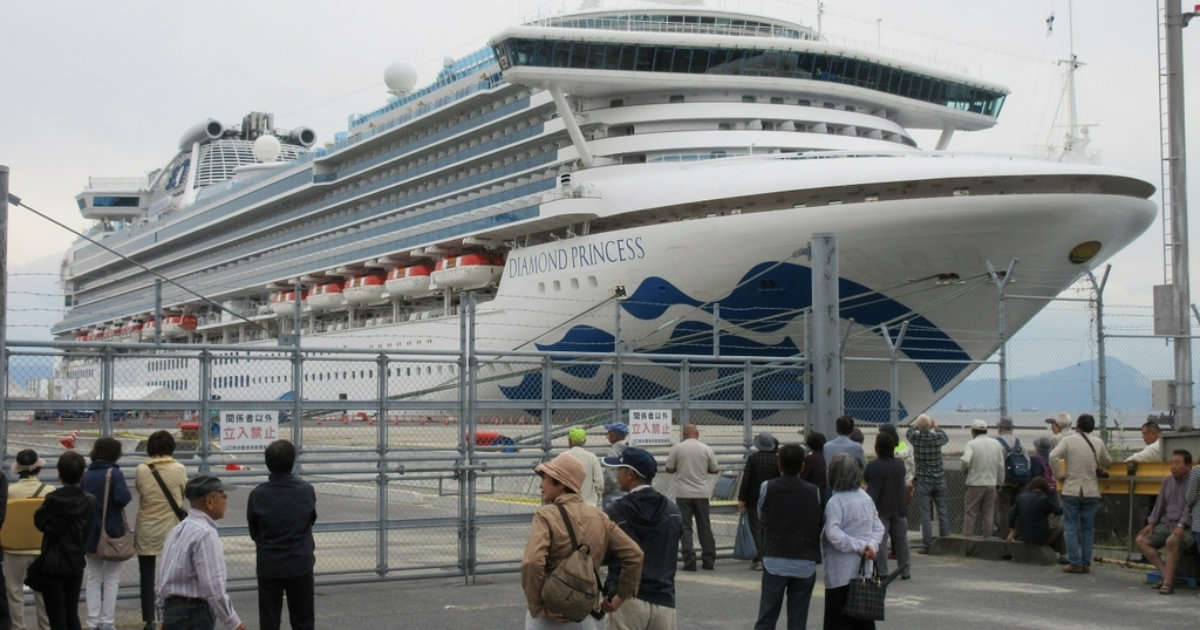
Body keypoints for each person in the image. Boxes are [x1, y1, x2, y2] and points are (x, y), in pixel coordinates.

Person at [521, 453, 643, 630]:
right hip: (584, 611)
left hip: (550, 611)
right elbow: (635, 554)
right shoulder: (600, 517)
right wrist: (620, 597)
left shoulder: (546, 515)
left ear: (561, 484)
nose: (541, 484)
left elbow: (532, 562)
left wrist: (538, 606)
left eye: (546, 479)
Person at [601, 448, 682, 630]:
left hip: (625, 598)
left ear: (629, 474)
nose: (616, 475)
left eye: (619, 470)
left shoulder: (616, 511)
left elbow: (604, 554)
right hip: (664, 599)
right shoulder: (673, 511)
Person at [156, 475, 244, 630]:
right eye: (223, 496)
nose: (226, 501)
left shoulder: (177, 531)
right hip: (194, 615)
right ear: (209, 501)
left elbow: (163, 578)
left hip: (173, 611)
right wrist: (233, 623)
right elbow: (213, 586)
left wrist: (162, 615)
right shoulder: (205, 534)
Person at [247, 440, 318, 629]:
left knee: (269, 620)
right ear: (292, 462)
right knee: (303, 619)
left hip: (269, 563)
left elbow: (254, 530)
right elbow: (310, 520)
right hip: (300, 562)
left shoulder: (258, 494)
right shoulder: (306, 490)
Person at [755, 444, 822, 630]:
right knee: (798, 620)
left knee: (767, 617)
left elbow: (761, 515)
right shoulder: (813, 491)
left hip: (775, 558)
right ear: (802, 466)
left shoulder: (767, 487)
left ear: (779, 465)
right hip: (805, 560)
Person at [822, 453, 885, 630]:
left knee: (838, 620)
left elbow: (833, 534)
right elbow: (879, 527)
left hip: (840, 572)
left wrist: (861, 546)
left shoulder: (836, 502)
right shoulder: (866, 498)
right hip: (864, 569)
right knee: (863, 619)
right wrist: (871, 546)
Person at [34, 451, 95, 630]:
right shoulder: (89, 501)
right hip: (76, 560)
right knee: (71, 611)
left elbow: (40, 523)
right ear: (82, 474)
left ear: (59, 474)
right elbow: (89, 529)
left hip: (52, 561)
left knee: (56, 616)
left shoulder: (53, 499)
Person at [134, 430, 187, 630]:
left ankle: (149, 620)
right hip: (170, 527)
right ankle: (169, 616)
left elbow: (141, 492)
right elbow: (182, 493)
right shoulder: (179, 468)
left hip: (146, 526)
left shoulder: (141, 469)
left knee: (146, 576)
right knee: (171, 574)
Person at [1049, 413, 1111, 574]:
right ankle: (1086, 562)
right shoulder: (1098, 442)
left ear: (1077, 426)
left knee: (1070, 526)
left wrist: (1059, 475)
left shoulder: (1068, 441)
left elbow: (1053, 456)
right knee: (1088, 528)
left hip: (1072, 488)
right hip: (1091, 490)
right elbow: (1107, 462)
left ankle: (1074, 562)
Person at [81, 436, 131, 630]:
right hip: (111, 532)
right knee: (111, 579)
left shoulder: (86, 475)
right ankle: (107, 622)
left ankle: (92, 621)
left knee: (93, 577)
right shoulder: (114, 474)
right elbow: (122, 498)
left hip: (90, 533)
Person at [1134, 449, 1193, 594]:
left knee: (1171, 541)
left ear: (1189, 466)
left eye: (1177, 463)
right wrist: (1152, 522)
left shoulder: (1194, 482)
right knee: (1141, 540)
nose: (1173, 466)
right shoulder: (1167, 480)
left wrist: (1181, 525)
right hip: (1167, 523)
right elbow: (1160, 504)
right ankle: (1167, 574)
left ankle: (1167, 582)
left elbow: (1191, 507)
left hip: (1187, 526)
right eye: (1171, 463)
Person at [6, 449, 51, 630]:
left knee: (14, 591)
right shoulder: (49, 491)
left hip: (14, 547)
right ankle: (45, 626)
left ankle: (18, 626)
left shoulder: (10, 491)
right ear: (37, 468)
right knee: (43, 592)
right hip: (41, 547)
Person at [665, 424, 720, 571]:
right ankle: (709, 561)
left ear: (684, 434)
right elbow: (715, 469)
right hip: (701, 493)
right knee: (705, 527)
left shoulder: (677, 448)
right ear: (697, 433)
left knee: (685, 528)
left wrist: (680, 468)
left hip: (683, 493)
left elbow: (669, 469)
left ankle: (689, 561)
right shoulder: (706, 448)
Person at [863, 433, 909, 580]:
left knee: (881, 541)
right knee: (901, 539)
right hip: (898, 506)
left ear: (877, 447)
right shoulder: (899, 464)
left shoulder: (873, 465)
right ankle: (905, 570)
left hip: (880, 508)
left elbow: (866, 478)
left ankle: (883, 572)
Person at [906, 414, 949, 553]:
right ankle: (945, 542)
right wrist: (934, 426)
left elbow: (909, 432)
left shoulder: (916, 439)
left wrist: (917, 426)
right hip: (939, 479)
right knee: (942, 512)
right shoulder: (937, 438)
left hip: (924, 480)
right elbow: (945, 436)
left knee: (925, 513)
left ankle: (928, 545)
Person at [738, 432, 780, 571]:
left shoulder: (753, 459)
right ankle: (770, 556)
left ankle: (758, 559)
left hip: (753, 497)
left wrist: (741, 498)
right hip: (772, 497)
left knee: (756, 528)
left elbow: (746, 479)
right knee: (770, 527)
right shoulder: (777, 460)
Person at [960, 419, 1004, 538]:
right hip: (991, 483)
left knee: (971, 513)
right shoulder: (996, 443)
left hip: (975, 483)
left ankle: (967, 540)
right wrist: (999, 482)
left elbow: (965, 460)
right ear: (986, 430)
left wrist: (964, 469)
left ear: (973, 431)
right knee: (988, 513)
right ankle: (987, 540)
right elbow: (1001, 465)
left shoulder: (972, 444)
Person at [1005, 477, 1064, 556]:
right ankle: (1063, 555)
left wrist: (1012, 531)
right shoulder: (1045, 500)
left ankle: (1054, 551)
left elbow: (1012, 513)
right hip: (1040, 538)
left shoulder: (1021, 498)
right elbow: (1058, 511)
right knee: (1060, 529)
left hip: (1024, 537)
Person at [992, 417, 1025, 536]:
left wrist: (998, 481)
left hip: (1005, 482)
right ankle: (1016, 534)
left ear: (1000, 428)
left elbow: (997, 463)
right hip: (1020, 480)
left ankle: (1004, 535)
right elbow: (1027, 461)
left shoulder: (998, 442)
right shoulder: (1019, 441)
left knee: (1003, 510)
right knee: (1016, 509)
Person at [565, 428, 605, 508]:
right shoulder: (592, 457)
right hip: (588, 504)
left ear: (569, 441)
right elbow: (599, 482)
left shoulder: (563, 457)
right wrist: (598, 497)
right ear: (584, 441)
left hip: (568, 504)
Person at [602, 423, 630, 509]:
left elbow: (610, 477)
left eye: (609, 432)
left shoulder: (613, 452)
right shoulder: (631, 449)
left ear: (615, 436)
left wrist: (605, 490)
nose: (607, 435)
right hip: (629, 491)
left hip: (614, 493)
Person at [800, 434, 827, 505]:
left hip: (813, 494)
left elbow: (802, 477)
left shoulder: (809, 459)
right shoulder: (828, 457)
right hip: (826, 492)